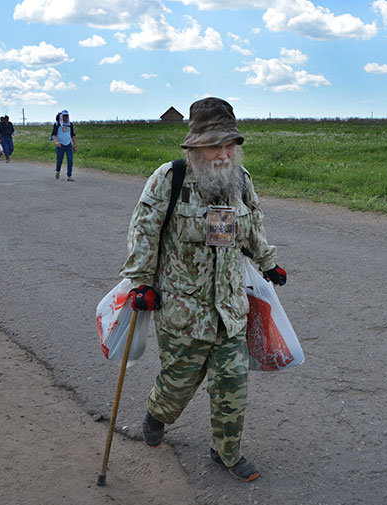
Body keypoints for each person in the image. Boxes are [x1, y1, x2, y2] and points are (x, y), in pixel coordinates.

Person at [119, 97, 287, 482]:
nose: (224, 154)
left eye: (230, 145)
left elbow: (253, 226)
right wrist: (142, 283)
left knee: (232, 385)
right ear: (195, 147)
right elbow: (143, 230)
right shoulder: (170, 178)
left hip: (229, 309)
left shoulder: (241, 182)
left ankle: (226, 452)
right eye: (215, 145)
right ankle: (157, 413)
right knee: (178, 385)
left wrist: (267, 262)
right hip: (183, 311)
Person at [51, 109, 76, 181]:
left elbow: (73, 135)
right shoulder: (57, 124)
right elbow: (53, 135)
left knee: (70, 160)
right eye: (64, 116)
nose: (66, 117)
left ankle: (69, 176)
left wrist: (75, 145)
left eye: (67, 116)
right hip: (60, 145)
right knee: (59, 160)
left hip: (68, 144)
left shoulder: (70, 124)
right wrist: (56, 142)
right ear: (61, 116)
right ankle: (57, 171)